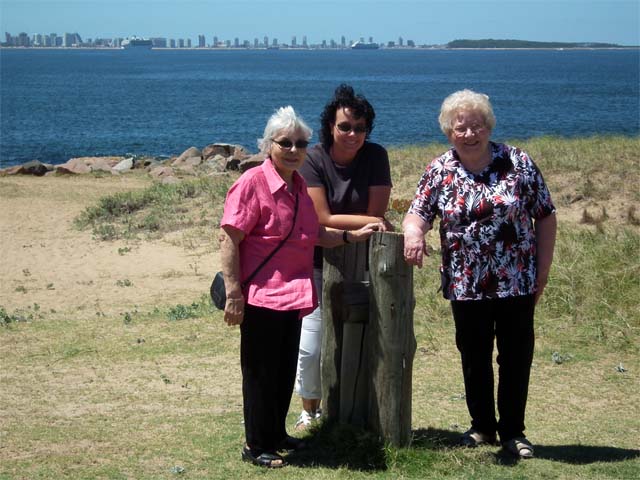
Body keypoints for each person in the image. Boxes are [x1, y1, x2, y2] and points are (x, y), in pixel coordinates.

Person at [219, 105, 382, 468]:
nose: (294, 150)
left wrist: (350, 236)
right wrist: (233, 293)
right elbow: (229, 238)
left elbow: (313, 234)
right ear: (268, 145)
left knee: (282, 369)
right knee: (261, 374)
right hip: (261, 295)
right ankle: (255, 444)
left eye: (301, 143)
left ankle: (276, 434)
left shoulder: (297, 187)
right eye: (286, 143)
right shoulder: (252, 183)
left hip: (292, 295)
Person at [402, 89, 557, 459]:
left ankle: (514, 432)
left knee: (516, 356)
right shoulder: (440, 170)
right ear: (448, 132)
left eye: (476, 126)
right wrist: (413, 233)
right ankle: (483, 427)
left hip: (516, 278)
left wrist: (543, 270)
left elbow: (545, 214)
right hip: (465, 283)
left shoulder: (517, 161)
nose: (469, 134)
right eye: (461, 128)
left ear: (488, 127)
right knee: (474, 356)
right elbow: (417, 212)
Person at [294, 84, 393, 430]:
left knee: (366, 342)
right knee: (311, 347)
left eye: (360, 128)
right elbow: (321, 218)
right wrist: (373, 221)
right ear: (331, 127)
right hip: (319, 262)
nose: (352, 134)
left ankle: (358, 411)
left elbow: (377, 208)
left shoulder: (376, 156)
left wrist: (371, 219)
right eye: (345, 127)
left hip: (365, 262)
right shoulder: (313, 159)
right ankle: (310, 409)